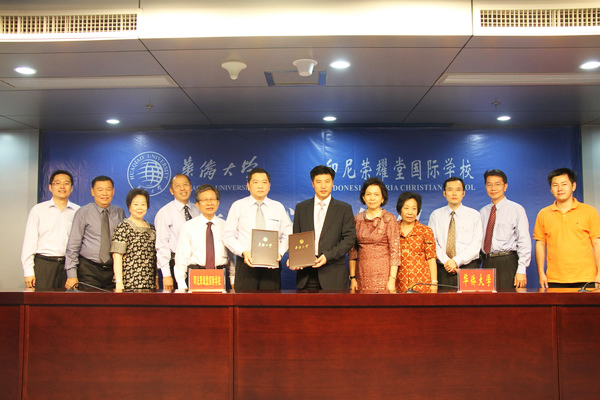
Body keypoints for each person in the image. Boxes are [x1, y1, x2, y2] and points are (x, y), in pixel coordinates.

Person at [222, 168, 292, 291]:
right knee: (245, 301)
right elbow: (228, 235)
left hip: (272, 264)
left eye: (264, 182)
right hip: (246, 263)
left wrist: (280, 252)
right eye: (255, 182)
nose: (260, 186)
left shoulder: (278, 207)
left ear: (269, 186)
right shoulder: (238, 206)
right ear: (248, 186)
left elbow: (287, 234)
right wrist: (243, 252)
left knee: (270, 301)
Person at [291, 165, 356, 290]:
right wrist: (295, 258)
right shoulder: (301, 208)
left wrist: (327, 256)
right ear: (312, 184)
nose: (323, 186)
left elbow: (349, 239)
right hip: (307, 274)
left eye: (327, 181)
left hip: (333, 273)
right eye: (319, 182)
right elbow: (297, 237)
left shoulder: (344, 209)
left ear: (333, 183)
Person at [534, 168, 600, 289]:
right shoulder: (543, 214)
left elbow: (597, 243)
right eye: (555, 185)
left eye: (564, 184)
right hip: (554, 278)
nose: (560, 188)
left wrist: (599, 273)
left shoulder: (589, 212)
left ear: (573, 186)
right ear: (551, 189)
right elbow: (540, 244)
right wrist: (541, 273)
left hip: (586, 277)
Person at [21, 170, 80, 289]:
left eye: (66, 183)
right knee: (42, 300)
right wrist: (28, 271)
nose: (62, 187)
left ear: (72, 188)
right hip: (44, 265)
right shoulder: (38, 210)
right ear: (50, 187)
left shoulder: (78, 211)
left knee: (69, 301)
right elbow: (30, 241)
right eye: (57, 183)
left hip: (69, 266)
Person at [65, 176, 125, 290]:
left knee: (112, 302)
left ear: (113, 191)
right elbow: (73, 245)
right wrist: (71, 274)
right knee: (90, 301)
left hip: (113, 271)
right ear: (92, 191)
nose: (104, 193)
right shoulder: (83, 212)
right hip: (89, 270)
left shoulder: (119, 212)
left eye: (108, 189)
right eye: (100, 190)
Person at [174, 184, 235, 290]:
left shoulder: (226, 226)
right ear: (197, 205)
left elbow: (231, 257)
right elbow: (181, 257)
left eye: (212, 199)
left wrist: (233, 280)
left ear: (218, 202)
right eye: (205, 200)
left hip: (220, 277)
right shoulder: (188, 227)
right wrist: (181, 283)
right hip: (196, 276)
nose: (209, 203)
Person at [479, 169, 531, 289]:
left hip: (507, 262)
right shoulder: (483, 212)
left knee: (508, 299)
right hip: (487, 262)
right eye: (489, 184)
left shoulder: (516, 209)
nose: (493, 188)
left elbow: (524, 240)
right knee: (487, 299)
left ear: (505, 187)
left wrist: (521, 269)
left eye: (497, 184)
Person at [428, 177, 482, 288]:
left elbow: (476, 244)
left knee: (470, 299)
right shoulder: (436, 215)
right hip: (443, 268)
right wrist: (447, 262)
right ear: (444, 193)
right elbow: (432, 242)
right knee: (443, 299)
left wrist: (456, 261)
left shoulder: (474, 215)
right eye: (450, 190)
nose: (454, 193)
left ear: (463, 193)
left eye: (458, 190)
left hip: (468, 267)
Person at [348, 178, 400, 292]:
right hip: (361, 274)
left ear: (382, 198)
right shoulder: (357, 219)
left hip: (384, 275)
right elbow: (352, 251)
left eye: (376, 194)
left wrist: (392, 279)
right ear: (363, 197)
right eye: (368, 194)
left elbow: (395, 252)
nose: (372, 198)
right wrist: (353, 278)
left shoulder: (389, 219)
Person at [154, 174, 199, 290]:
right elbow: (162, 244)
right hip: (173, 264)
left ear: (191, 188)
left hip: (197, 264)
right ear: (171, 191)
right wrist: (166, 274)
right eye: (178, 186)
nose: (183, 188)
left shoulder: (198, 210)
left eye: (185, 185)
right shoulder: (165, 212)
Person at [111, 189, 157, 291]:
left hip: (149, 283)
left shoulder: (152, 228)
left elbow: (155, 257)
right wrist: (119, 282)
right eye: (136, 204)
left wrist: (156, 279)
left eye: (143, 204)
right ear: (129, 206)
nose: (140, 208)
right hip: (129, 284)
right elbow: (117, 256)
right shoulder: (123, 227)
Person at [396, 192, 437, 293]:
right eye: (406, 208)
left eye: (414, 208)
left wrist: (434, 283)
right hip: (398, 283)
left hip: (422, 283)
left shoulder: (426, 231)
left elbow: (431, 258)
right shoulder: (393, 230)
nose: (410, 212)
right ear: (400, 209)